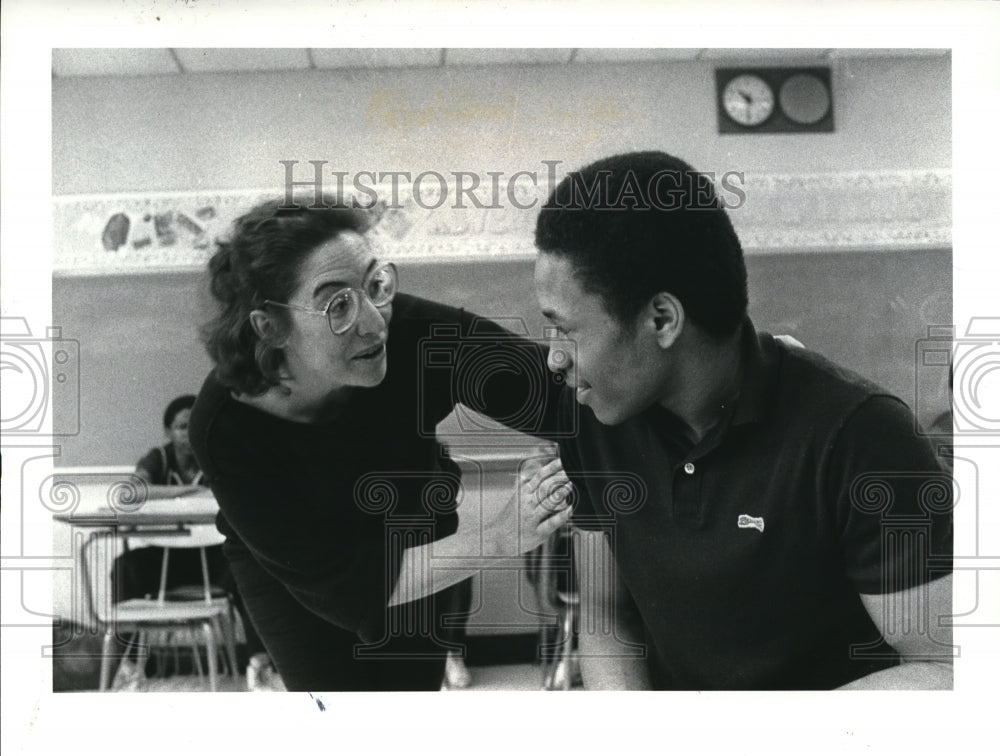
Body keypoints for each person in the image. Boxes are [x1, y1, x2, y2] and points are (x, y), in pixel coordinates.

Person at [533, 151, 954, 690]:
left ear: (662, 319)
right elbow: (603, 614)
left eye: (565, 329)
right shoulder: (592, 419)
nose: (554, 357)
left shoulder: (861, 437)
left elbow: (941, 669)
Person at [189, 196, 573, 691]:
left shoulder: (411, 333)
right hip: (299, 568)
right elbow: (348, 590)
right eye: (338, 304)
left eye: (376, 285)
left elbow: (559, 397)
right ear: (271, 326)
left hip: (411, 522)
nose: (375, 322)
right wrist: (502, 534)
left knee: (407, 701)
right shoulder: (224, 427)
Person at [111, 395, 224, 602]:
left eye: (196, 425)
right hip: (166, 556)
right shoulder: (159, 458)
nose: (190, 434)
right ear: (168, 432)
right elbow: (128, 494)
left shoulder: (218, 456)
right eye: (182, 427)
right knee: (125, 568)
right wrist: (188, 491)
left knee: (248, 566)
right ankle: (129, 633)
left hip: (212, 554)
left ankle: (257, 635)